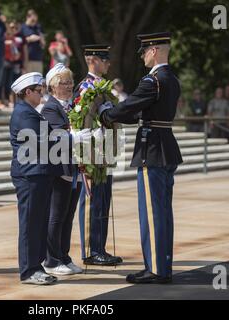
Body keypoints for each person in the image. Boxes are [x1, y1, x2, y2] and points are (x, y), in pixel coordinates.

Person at [98, 32, 183, 284]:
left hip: (152, 150)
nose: (143, 56)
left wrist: (106, 115)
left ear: (154, 50)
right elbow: (138, 112)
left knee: (152, 214)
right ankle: (162, 266)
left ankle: (156, 270)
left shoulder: (153, 80)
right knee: (164, 213)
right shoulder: (172, 79)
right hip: (166, 147)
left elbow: (130, 106)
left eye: (145, 51)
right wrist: (117, 114)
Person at [10, 72, 62, 285]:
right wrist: (70, 137)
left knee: (38, 223)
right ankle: (29, 270)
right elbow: (42, 140)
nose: (42, 93)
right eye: (38, 90)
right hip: (30, 175)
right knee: (30, 223)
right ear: (27, 92)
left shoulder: (31, 112)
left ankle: (36, 265)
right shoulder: (24, 114)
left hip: (39, 174)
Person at [75, 44, 123, 266]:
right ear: (93, 60)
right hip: (91, 156)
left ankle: (100, 248)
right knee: (92, 202)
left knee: (103, 203)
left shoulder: (101, 88)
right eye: (105, 59)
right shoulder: (86, 88)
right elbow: (81, 123)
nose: (109, 63)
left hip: (103, 155)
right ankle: (91, 250)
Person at [41, 63, 90, 275]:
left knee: (68, 215)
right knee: (56, 215)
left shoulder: (74, 105)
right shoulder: (51, 107)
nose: (69, 85)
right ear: (52, 86)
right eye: (63, 82)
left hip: (75, 167)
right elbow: (58, 136)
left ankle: (63, 255)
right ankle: (51, 260)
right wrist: (78, 135)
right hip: (59, 167)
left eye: (70, 81)